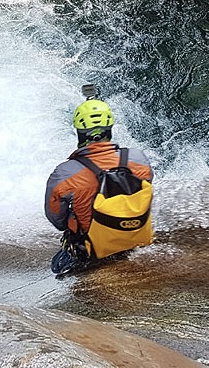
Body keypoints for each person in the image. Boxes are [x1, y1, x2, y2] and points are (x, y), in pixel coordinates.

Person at [45, 93, 154, 275]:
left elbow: (57, 218)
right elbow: (148, 184)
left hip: (92, 249)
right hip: (136, 236)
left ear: (79, 131)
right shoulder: (138, 158)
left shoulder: (64, 173)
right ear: (109, 128)